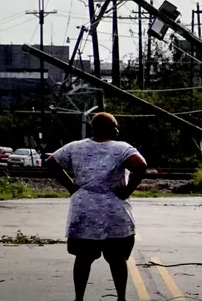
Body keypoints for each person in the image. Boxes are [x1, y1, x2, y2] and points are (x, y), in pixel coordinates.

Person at [46, 112, 148, 301]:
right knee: (118, 260)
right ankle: (121, 298)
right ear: (111, 129)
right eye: (115, 126)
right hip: (114, 214)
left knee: (83, 259)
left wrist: (71, 186)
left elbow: (51, 162)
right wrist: (127, 190)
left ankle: (79, 298)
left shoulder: (75, 147)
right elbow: (140, 166)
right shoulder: (122, 149)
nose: (117, 130)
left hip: (85, 213)